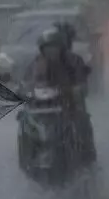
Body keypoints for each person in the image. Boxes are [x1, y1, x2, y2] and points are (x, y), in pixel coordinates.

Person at [27, 24, 97, 167]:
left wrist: (76, 89)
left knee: (82, 121)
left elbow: (81, 79)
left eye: (54, 47)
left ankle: (87, 156)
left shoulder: (74, 60)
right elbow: (28, 80)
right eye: (47, 48)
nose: (51, 51)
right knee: (25, 120)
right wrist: (21, 89)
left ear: (61, 47)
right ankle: (28, 154)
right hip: (43, 107)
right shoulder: (37, 63)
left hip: (69, 104)